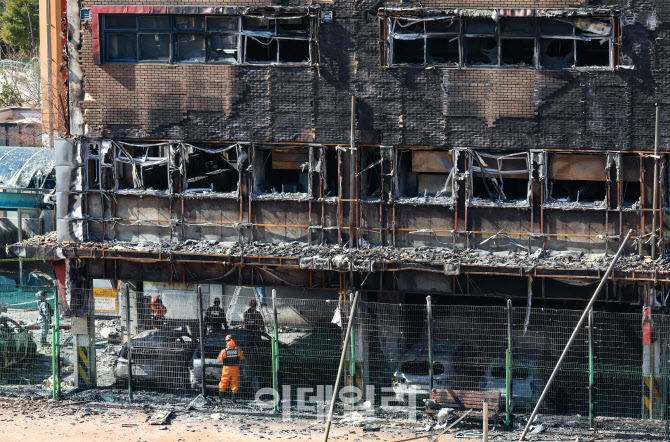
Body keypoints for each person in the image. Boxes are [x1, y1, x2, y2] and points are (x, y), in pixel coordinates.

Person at [217, 334, 244, 403]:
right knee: (235, 383)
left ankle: (220, 398)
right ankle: (233, 400)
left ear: (226, 341)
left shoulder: (224, 351)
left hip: (226, 368)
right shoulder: (238, 350)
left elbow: (220, 360)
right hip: (235, 368)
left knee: (224, 382)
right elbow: (241, 357)